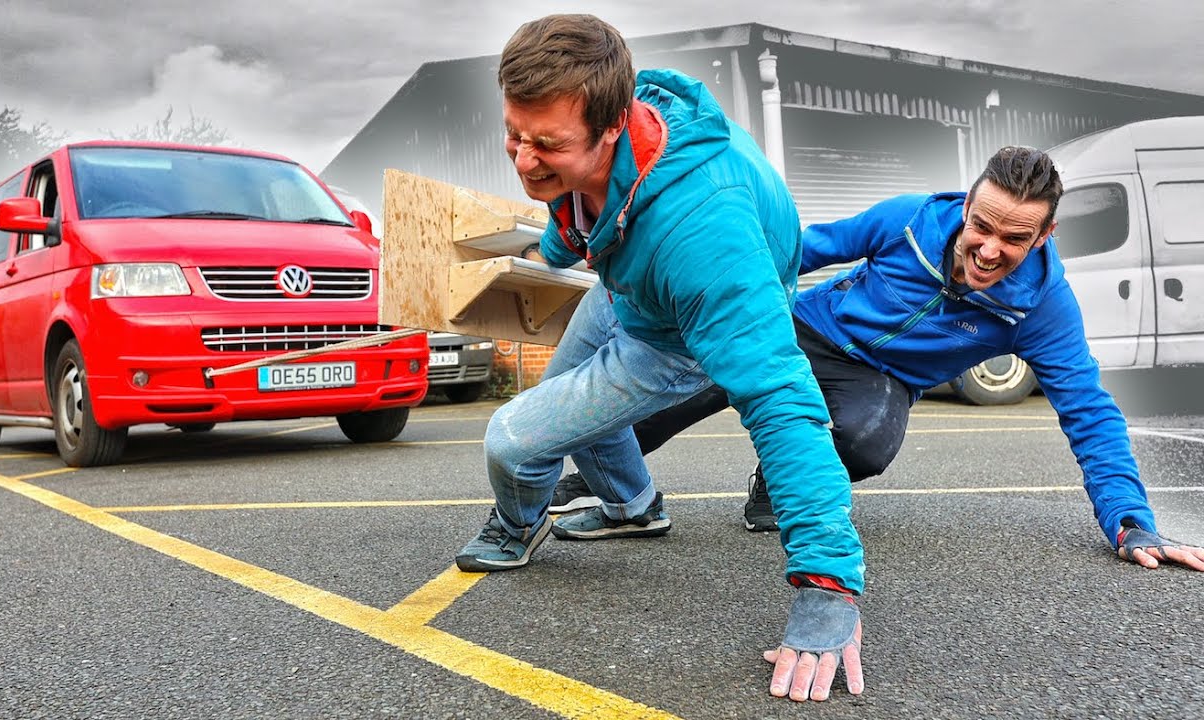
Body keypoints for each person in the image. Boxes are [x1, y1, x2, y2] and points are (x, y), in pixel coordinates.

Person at [454, 14, 865, 702]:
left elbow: (782, 400)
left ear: (612, 127)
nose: (523, 160)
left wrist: (827, 586)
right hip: (630, 287)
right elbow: (578, 214)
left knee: (515, 440)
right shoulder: (617, 117)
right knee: (570, 413)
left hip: (674, 329)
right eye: (514, 135)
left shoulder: (705, 235)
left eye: (545, 145)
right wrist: (540, 256)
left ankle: (518, 525)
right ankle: (634, 507)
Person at [554, 145, 1204, 573]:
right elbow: (803, 249)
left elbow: (1089, 412)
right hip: (810, 328)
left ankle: (776, 482)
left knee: (868, 443)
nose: (987, 249)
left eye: (1014, 239)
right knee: (691, 371)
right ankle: (612, 475)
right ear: (967, 202)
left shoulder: (1042, 307)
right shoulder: (910, 221)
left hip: (881, 377)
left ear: (1045, 236)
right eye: (982, 225)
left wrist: (1131, 522)